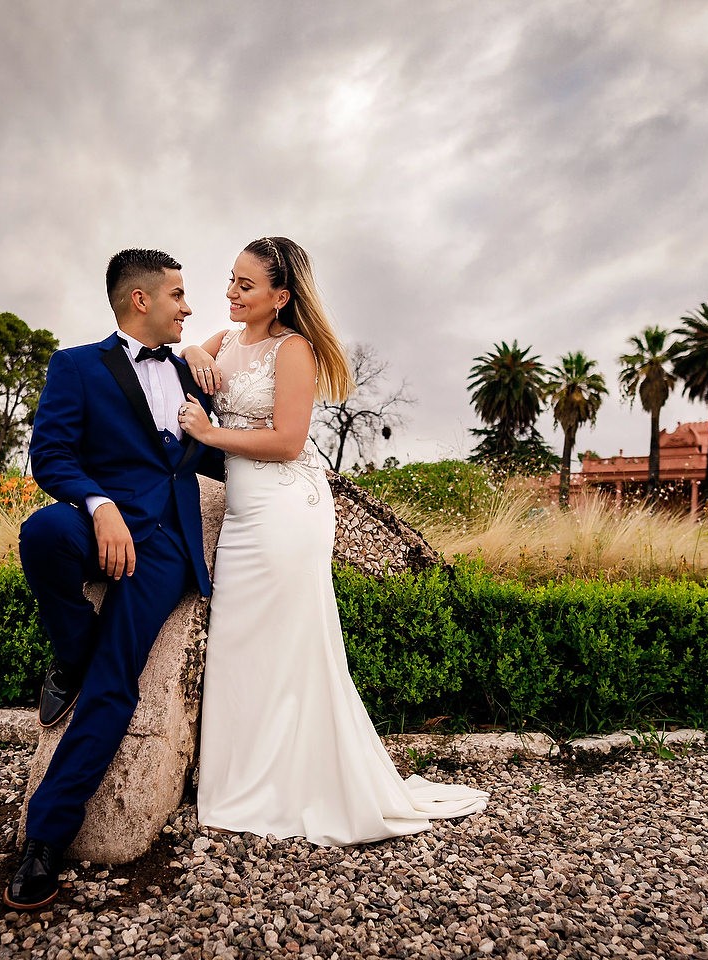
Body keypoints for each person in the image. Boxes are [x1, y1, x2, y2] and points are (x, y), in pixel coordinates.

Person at [178, 237, 487, 845]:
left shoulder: (294, 351)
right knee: (241, 641)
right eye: (230, 280)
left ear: (281, 296)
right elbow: (193, 349)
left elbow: (290, 442)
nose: (230, 293)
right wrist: (194, 350)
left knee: (286, 646)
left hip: (286, 509)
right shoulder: (232, 336)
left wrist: (210, 435)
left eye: (245, 286)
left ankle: (288, 787)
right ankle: (240, 781)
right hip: (245, 511)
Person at [5, 249, 224, 909]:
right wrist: (98, 507)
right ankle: (71, 650)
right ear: (141, 301)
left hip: (165, 547)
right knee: (42, 532)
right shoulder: (74, 366)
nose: (188, 307)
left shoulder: (192, 372)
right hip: (102, 521)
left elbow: (214, 453)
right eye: (179, 295)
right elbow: (50, 454)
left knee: (114, 677)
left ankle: (45, 839)